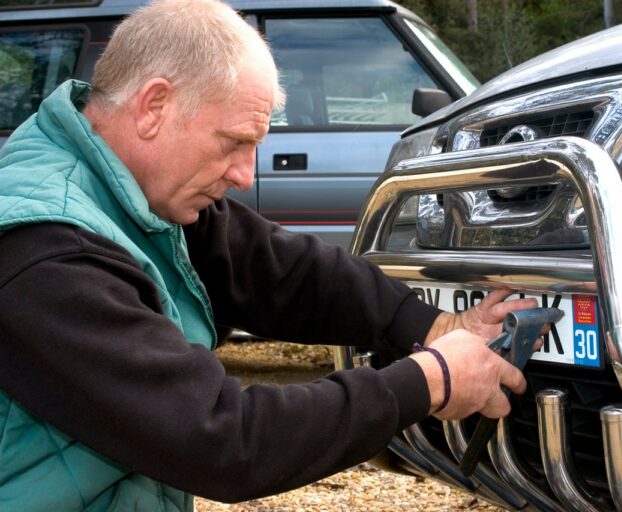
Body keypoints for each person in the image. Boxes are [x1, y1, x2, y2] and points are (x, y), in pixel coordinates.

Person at [0, 0, 542, 510]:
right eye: (234, 142)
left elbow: (283, 270)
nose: (245, 175)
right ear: (153, 107)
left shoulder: (134, 194)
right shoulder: (46, 247)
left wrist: (437, 323)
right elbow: (220, 439)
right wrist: (429, 381)